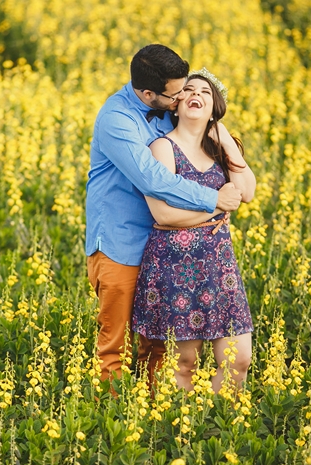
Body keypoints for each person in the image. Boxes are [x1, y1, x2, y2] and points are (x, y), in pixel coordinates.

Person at [86, 45, 243, 387]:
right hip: (121, 243)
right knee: (115, 346)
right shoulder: (116, 120)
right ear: (148, 94)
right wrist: (213, 200)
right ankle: (111, 422)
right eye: (175, 95)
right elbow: (152, 180)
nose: (181, 99)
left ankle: (158, 421)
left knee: (160, 347)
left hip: (163, 250)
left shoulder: (167, 108)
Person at [132, 68, 256, 392]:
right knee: (183, 364)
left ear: (214, 108)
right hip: (176, 268)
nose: (195, 95)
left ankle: (218, 429)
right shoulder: (162, 148)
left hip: (219, 267)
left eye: (205, 92)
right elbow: (163, 213)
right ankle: (181, 436)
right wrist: (219, 204)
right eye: (187, 90)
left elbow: (246, 192)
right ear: (175, 103)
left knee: (238, 359)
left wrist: (226, 139)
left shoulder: (219, 151)